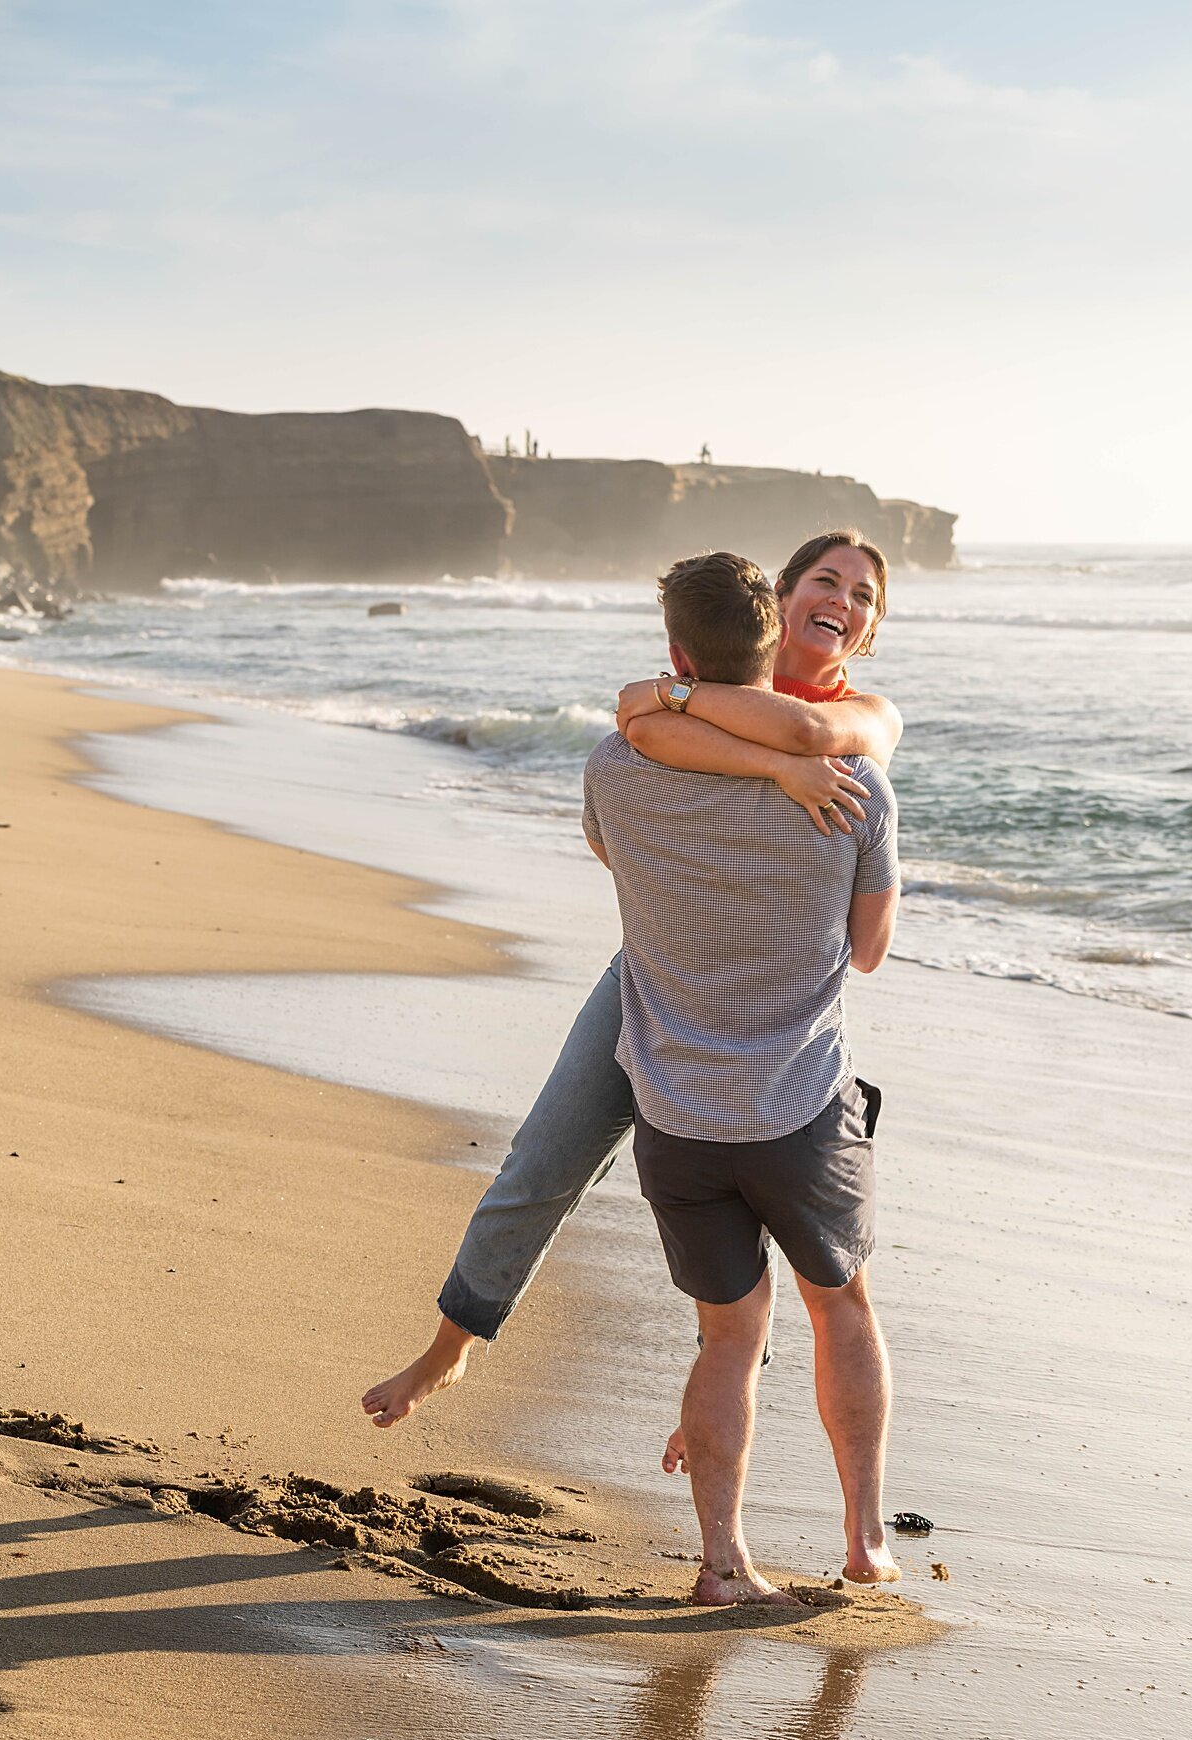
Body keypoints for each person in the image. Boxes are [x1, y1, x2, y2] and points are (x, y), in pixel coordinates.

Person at [360, 530, 899, 1430]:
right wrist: (772, 766)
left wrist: (719, 717)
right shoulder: (716, 686)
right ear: (786, 591)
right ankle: (450, 1349)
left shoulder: (861, 717)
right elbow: (643, 725)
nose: (842, 599)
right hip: (655, 968)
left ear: (871, 629)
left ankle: (715, 1399)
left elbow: (782, 730)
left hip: (773, 994)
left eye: (865, 595)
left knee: (746, 1195)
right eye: (826, 579)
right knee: (548, 1154)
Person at [582, 550, 899, 1602]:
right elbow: (866, 950)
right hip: (797, 1108)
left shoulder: (613, 766)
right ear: (775, 645)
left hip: (674, 1118)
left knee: (727, 1337)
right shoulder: (852, 785)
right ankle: (861, 1540)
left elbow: (611, 856)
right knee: (841, 1308)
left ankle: (722, 1565)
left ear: (680, 656)